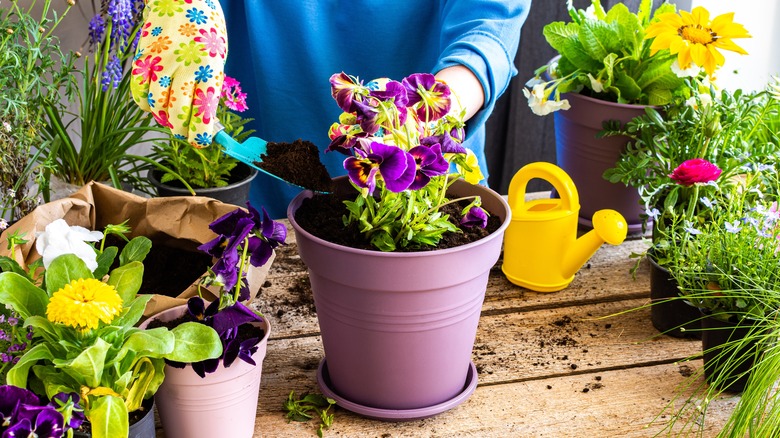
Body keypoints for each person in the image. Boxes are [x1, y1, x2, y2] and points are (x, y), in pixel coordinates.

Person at [132, 1, 531, 218]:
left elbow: (488, 29)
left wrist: (425, 112)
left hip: (425, 193)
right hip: (266, 206)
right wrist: (178, 8)